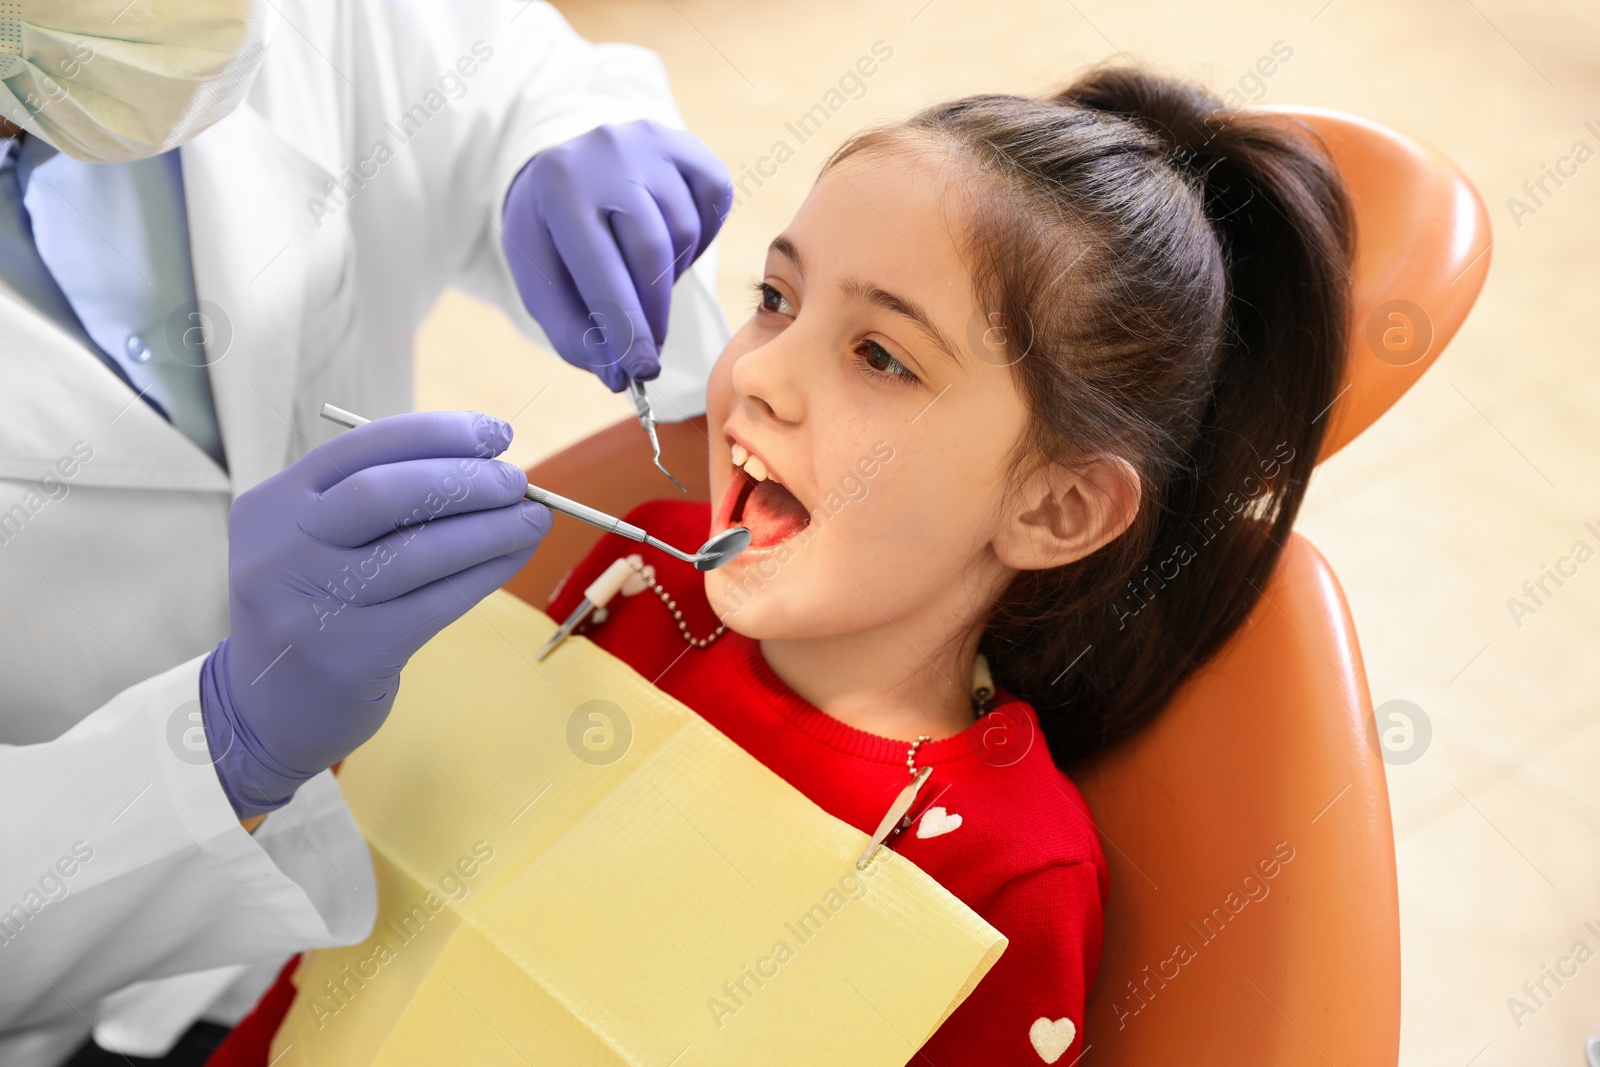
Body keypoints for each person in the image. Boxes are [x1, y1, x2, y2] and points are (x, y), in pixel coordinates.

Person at [209, 61, 1357, 1066]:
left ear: (1054, 506)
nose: (756, 371)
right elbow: (360, 947)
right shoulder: (632, 585)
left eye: (878, 355)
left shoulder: (1006, 881)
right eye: (775, 297)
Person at [0, 1, 731, 1063]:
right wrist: (224, 745)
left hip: (426, 836)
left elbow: (496, 75)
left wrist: (555, 148)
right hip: (108, 991)